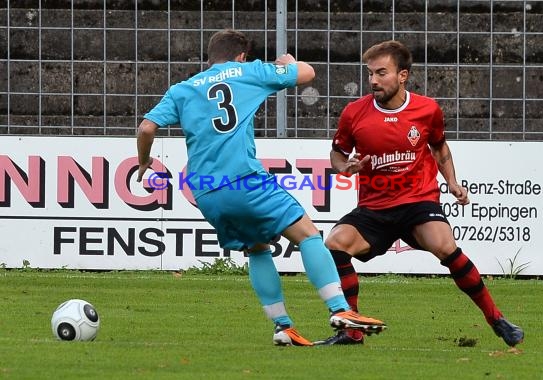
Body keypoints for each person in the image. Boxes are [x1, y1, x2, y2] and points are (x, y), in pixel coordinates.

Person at [136, 29, 386, 346]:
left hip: (205, 192)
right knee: (307, 234)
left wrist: (144, 161)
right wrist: (289, 62)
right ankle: (340, 309)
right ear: (241, 56)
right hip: (244, 180)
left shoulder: (182, 89)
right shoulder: (248, 71)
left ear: (210, 58)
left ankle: (283, 327)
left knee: (256, 248)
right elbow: (308, 73)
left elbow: (146, 127)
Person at [315, 40, 524, 347]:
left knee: (444, 245)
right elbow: (337, 153)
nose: (373, 80)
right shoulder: (354, 113)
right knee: (334, 244)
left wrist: (452, 182)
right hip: (375, 207)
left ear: (403, 75)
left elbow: (439, 147)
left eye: (381, 73)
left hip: (418, 201)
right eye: (370, 73)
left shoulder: (427, 109)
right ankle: (352, 329)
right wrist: (345, 167)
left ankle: (496, 318)